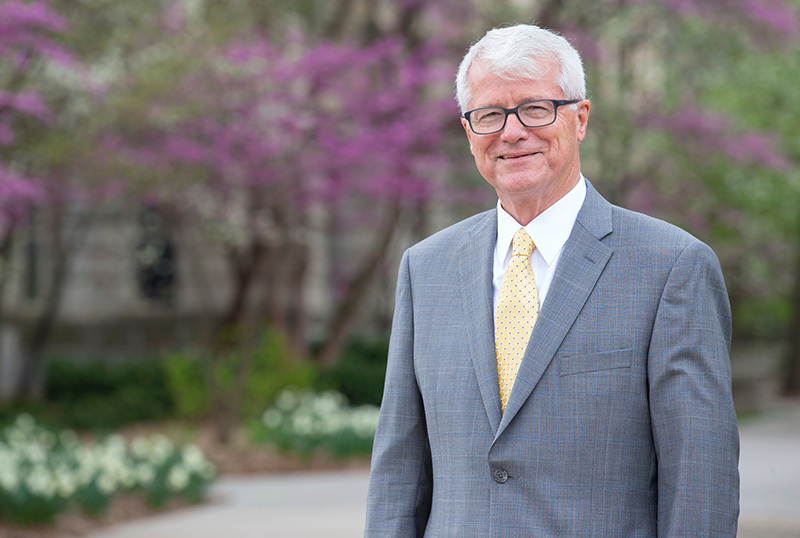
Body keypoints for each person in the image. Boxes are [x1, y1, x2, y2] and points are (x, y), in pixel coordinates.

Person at [364, 23, 740, 537]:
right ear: (468, 131)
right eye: (489, 115)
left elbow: (701, 484)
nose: (512, 132)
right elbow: (397, 475)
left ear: (580, 118)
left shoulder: (672, 267)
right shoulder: (425, 268)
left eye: (535, 109)